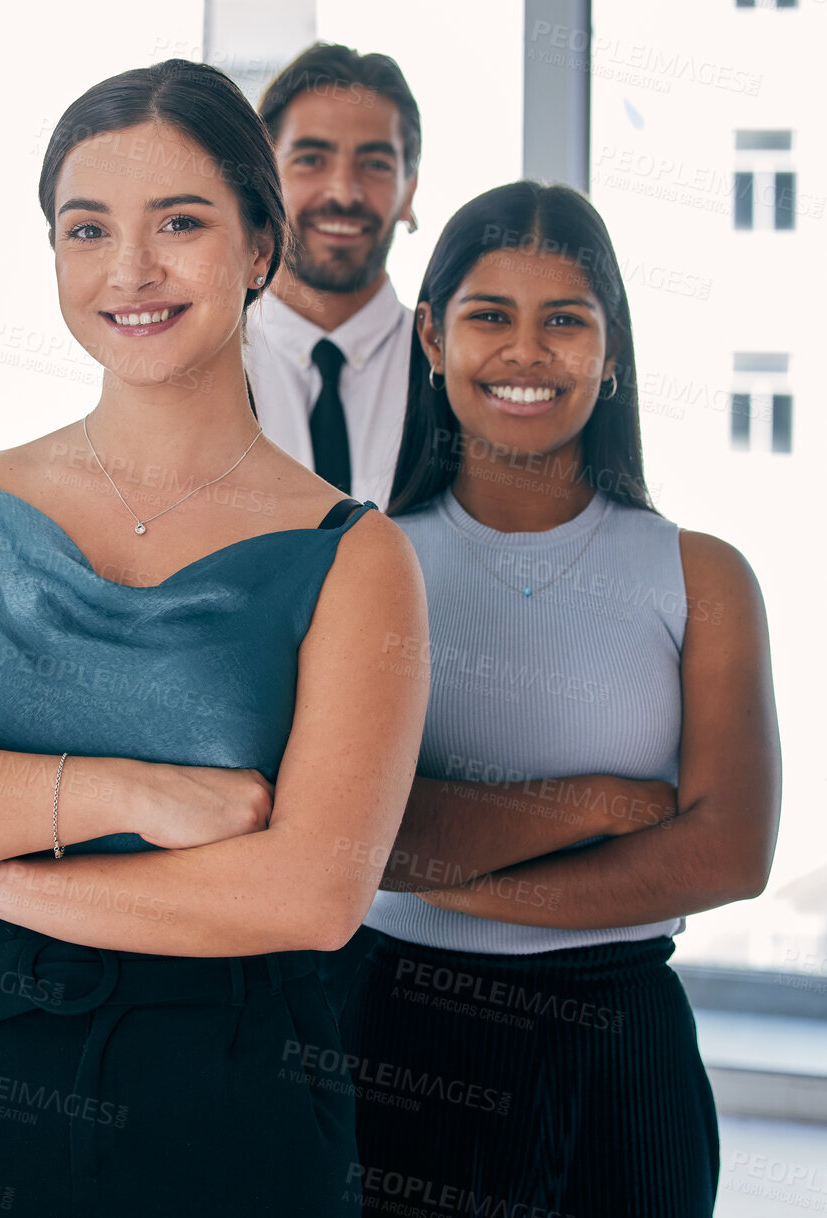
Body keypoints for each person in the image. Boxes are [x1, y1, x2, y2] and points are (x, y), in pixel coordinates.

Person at [0, 60, 428, 1216]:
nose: (129, 270)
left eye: (179, 222)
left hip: (221, 1099)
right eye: (88, 230)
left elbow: (309, 896)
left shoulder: (356, 554)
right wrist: (132, 794)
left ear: (260, 248)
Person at [340, 181, 780, 1217]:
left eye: (566, 321)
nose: (526, 354)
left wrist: (433, 868)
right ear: (434, 339)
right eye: (491, 315)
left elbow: (730, 855)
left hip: (621, 1051)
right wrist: (598, 805)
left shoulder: (703, 576)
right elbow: (349, 834)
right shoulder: (361, 564)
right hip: (399, 1032)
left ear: (612, 350)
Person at [245, 41, 422, 507]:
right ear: (266, 177)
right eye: (311, 159)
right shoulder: (203, 363)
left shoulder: (453, 371)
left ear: (410, 190)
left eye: (376, 164)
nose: (344, 192)